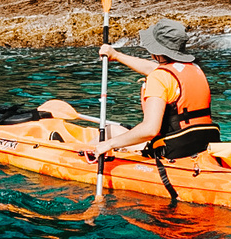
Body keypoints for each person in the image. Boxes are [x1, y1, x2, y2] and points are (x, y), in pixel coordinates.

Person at [93, 18, 220, 160]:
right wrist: (116, 55)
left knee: (109, 132)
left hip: (170, 150)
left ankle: (85, 157)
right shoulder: (194, 69)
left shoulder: (159, 78)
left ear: (156, 50)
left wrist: (109, 144)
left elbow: (150, 130)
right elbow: (152, 68)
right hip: (201, 144)